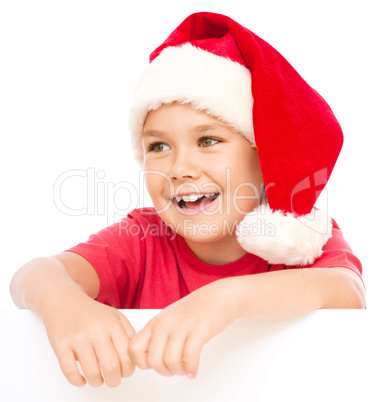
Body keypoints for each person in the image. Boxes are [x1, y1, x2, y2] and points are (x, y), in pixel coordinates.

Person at [10, 12, 365, 388]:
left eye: (208, 140)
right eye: (158, 146)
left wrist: (229, 298)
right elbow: (31, 275)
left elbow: (348, 292)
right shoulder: (142, 239)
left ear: (263, 157)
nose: (180, 168)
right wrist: (64, 304)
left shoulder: (301, 237)